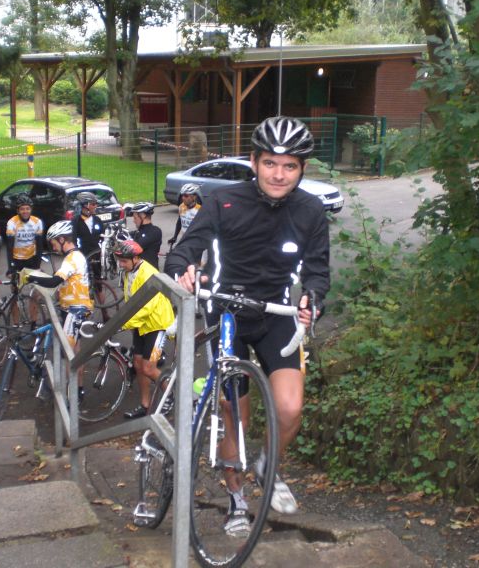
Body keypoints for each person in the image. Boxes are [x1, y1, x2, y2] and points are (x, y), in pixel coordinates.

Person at [164, 116, 329, 533]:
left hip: (275, 314)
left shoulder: (310, 210)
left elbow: (317, 271)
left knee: (290, 409)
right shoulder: (224, 201)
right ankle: (236, 498)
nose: (279, 173)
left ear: (302, 168)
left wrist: (313, 298)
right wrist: (183, 269)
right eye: (271, 163)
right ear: (254, 162)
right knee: (233, 411)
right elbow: (186, 249)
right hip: (227, 313)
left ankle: (266, 463)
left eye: (290, 165)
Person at [24, 220, 93, 402]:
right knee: (74, 352)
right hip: (70, 308)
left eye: (54, 243)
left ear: (62, 239)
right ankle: (78, 390)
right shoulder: (73, 257)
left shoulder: (73, 258)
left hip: (75, 310)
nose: (53, 247)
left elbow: (55, 281)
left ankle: (69, 395)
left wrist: (31, 278)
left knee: (68, 352)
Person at [114, 239, 175, 419]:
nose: (121, 264)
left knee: (149, 368)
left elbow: (147, 307)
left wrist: (122, 323)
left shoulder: (148, 273)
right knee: (139, 365)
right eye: (119, 260)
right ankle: (145, 405)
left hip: (157, 325)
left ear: (135, 258)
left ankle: (171, 395)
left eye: (124, 261)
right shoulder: (129, 271)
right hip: (141, 325)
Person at [5, 195, 44, 325]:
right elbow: (9, 247)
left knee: (35, 293)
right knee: (14, 294)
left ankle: (33, 321)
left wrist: (38, 265)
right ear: (18, 210)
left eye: (27, 209)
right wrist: (11, 267)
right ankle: (16, 323)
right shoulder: (12, 223)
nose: (25, 211)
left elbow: (39, 246)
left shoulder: (37, 222)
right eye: (22, 209)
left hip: (31, 260)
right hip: (17, 261)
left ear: (31, 209)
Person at [72, 191, 110, 317]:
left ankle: (104, 312)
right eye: (93, 204)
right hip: (82, 259)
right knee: (83, 287)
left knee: (99, 285)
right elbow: (73, 242)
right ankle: (83, 314)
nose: (95, 206)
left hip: (96, 258)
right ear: (85, 205)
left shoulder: (97, 220)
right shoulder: (76, 222)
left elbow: (103, 238)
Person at [129, 202, 162, 270]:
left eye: (135, 218)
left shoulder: (155, 231)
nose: (133, 221)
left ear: (143, 215)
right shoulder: (137, 232)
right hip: (138, 273)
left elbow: (137, 246)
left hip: (150, 274)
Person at [168, 183, 202, 248]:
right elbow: (179, 222)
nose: (183, 198)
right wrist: (175, 237)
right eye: (182, 195)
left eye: (186, 196)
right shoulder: (181, 206)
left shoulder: (200, 210)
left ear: (194, 197)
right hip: (184, 239)